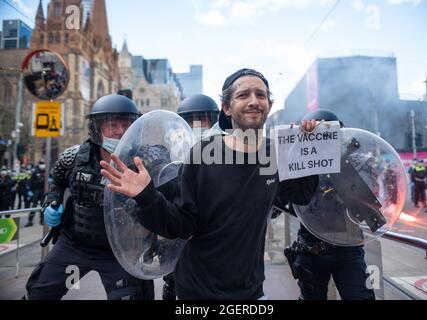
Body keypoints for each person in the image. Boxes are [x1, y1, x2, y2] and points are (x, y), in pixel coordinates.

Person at [100, 68, 319, 300]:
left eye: (261, 95)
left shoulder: (274, 155)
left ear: (269, 104)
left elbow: (302, 195)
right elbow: (180, 225)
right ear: (226, 108)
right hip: (198, 291)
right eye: (243, 95)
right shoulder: (203, 154)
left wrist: (308, 151)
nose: (254, 101)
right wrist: (146, 195)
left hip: (251, 292)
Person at [23, 94, 154, 300]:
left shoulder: (146, 161)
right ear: (97, 128)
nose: (120, 131)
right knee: (40, 292)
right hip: (75, 246)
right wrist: (51, 202)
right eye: (112, 124)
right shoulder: (73, 157)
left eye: (126, 124)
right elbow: (57, 180)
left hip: (121, 254)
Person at [284, 109, 376, 300]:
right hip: (311, 249)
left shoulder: (354, 161)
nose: (322, 140)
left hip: (348, 248)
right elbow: (288, 203)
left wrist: (336, 157)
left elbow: (364, 202)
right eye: (316, 136)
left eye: (327, 135)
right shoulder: (302, 165)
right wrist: (297, 151)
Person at [160, 94, 221, 300]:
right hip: (179, 246)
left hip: (217, 248)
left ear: (213, 122)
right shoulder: (167, 159)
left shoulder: (231, 155)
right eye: (190, 121)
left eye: (202, 120)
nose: (197, 126)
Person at [25, 160, 46, 227]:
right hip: (36, 190)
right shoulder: (35, 171)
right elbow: (30, 181)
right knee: (34, 206)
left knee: (43, 207)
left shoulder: (46, 171)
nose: (42, 165)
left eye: (43, 164)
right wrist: (30, 190)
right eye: (41, 164)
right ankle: (30, 221)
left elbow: (51, 180)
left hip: (43, 191)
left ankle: (42, 220)